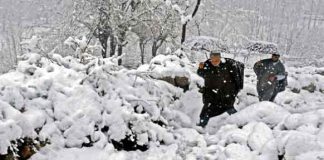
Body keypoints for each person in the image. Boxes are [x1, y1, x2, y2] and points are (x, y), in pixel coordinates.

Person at [197, 50, 244, 127]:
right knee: (206, 111)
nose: (215, 62)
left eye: (217, 60)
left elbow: (236, 79)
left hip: (225, 95)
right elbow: (202, 74)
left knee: (229, 109)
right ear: (210, 59)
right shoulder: (208, 65)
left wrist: (233, 91)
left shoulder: (227, 66)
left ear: (220, 58)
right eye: (213, 60)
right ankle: (201, 126)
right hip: (212, 95)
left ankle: (241, 124)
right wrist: (200, 69)